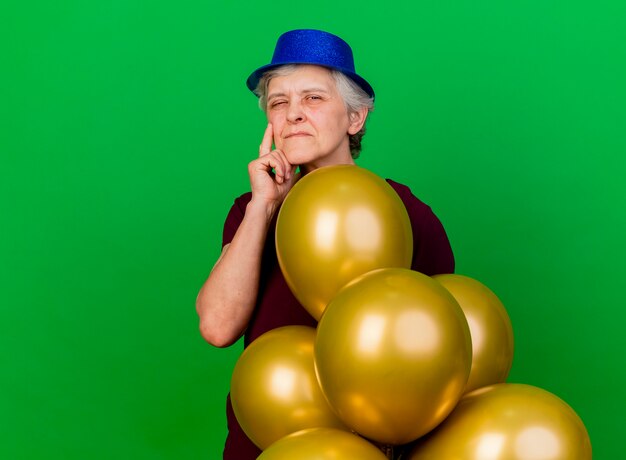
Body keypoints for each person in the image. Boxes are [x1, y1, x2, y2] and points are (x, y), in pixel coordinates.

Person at [196, 29, 455, 460]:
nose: (293, 114)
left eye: (313, 98)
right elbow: (218, 327)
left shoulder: (404, 211)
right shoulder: (251, 209)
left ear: (356, 118)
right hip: (271, 443)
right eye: (279, 102)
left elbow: (442, 347)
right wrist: (263, 207)